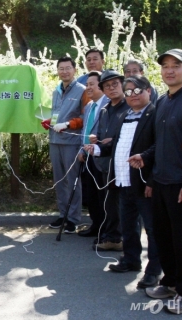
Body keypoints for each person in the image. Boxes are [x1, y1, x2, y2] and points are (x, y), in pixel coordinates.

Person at [129, 49, 182, 314]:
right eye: (165, 66)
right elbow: (160, 145)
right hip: (162, 182)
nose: (169, 70)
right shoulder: (163, 101)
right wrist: (147, 165)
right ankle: (171, 282)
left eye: (176, 65)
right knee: (164, 238)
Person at [85, 75, 161, 289]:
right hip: (122, 181)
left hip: (144, 182)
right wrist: (97, 149)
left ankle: (154, 270)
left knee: (153, 229)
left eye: (137, 91)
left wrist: (152, 181)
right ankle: (131, 260)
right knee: (127, 226)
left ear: (148, 91)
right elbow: (116, 145)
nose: (132, 96)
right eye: (128, 92)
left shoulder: (155, 114)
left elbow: (160, 149)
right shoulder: (125, 115)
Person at [42, 56, 85, 233]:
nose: (64, 71)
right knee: (59, 180)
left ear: (75, 70)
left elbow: (86, 117)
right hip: (55, 140)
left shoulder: (83, 91)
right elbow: (56, 114)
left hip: (71, 142)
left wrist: (68, 124)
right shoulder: (56, 91)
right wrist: (49, 122)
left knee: (72, 180)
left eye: (68, 68)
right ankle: (63, 215)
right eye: (61, 68)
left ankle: (73, 219)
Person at [89, 69, 129, 251]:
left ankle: (123, 239)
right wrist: (94, 141)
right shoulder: (105, 110)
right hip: (105, 164)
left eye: (115, 84)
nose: (112, 89)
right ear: (103, 90)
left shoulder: (130, 107)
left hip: (123, 165)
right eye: (107, 86)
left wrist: (113, 141)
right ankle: (112, 236)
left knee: (123, 205)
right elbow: (100, 133)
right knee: (109, 204)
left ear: (122, 85)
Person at [77, 71, 109, 238]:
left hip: (102, 157)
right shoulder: (89, 105)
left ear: (101, 85)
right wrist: (82, 149)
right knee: (91, 195)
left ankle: (106, 229)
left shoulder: (109, 104)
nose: (88, 87)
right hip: (87, 155)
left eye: (91, 84)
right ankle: (95, 225)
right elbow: (85, 130)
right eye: (87, 84)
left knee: (102, 195)